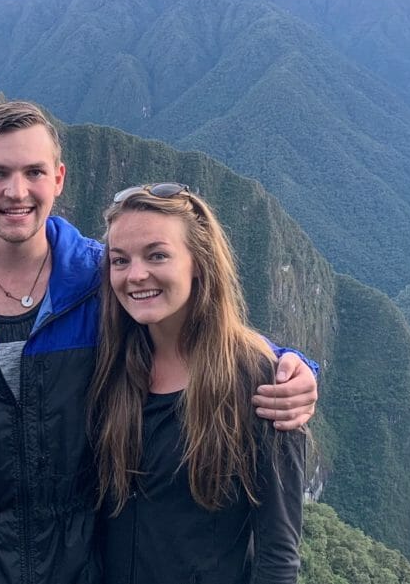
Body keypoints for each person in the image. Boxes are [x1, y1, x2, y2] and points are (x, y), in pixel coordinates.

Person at [0, 102, 317, 584]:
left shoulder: (100, 282)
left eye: (34, 171)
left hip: (70, 563)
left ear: (59, 178)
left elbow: (197, 326)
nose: (17, 191)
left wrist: (292, 366)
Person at [91, 184, 305, 584]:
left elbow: (278, 552)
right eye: (120, 260)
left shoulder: (257, 381)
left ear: (199, 262)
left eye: (157, 255)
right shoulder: (110, 367)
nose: (135, 275)